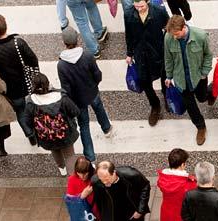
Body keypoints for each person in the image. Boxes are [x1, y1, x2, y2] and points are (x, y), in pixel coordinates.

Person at [58, 27, 114, 163]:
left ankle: (90, 156)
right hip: (92, 91)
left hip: (78, 100)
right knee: (99, 108)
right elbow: (97, 74)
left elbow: (66, 88)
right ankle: (106, 128)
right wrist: (95, 84)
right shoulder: (87, 55)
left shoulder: (61, 65)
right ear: (77, 39)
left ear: (64, 42)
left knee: (84, 125)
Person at [0, 14, 40, 146]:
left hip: (11, 90)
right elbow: (33, 60)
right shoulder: (18, 43)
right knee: (34, 108)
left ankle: (30, 134)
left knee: (20, 112)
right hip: (27, 84)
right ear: (6, 26)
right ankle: (39, 130)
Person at [164, 15, 211, 145]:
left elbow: (208, 55)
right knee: (191, 106)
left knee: (202, 97)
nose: (174, 37)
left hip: (198, 77)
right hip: (181, 79)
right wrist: (169, 76)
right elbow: (168, 58)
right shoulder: (168, 37)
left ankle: (210, 91)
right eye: (172, 34)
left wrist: (204, 73)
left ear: (184, 27)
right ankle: (200, 127)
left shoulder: (200, 36)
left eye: (176, 34)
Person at [23, 73, 80, 176]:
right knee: (70, 155)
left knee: (55, 151)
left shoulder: (31, 102)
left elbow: (27, 121)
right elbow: (75, 111)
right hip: (66, 133)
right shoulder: (61, 97)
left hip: (46, 136)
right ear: (48, 84)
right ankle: (72, 175)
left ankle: (61, 168)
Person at [125, 0, 171, 127]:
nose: (139, 9)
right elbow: (128, 34)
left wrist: (168, 48)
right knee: (144, 82)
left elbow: (168, 28)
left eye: (142, 6)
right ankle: (155, 106)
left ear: (148, 2)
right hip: (141, 53)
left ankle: (167, 96)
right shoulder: (128, 13)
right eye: (136, 6)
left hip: (158, 51)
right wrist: (129, 53)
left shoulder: (159, 12)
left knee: (164, 76)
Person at [157, 148, 197, 221]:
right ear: (182, 164)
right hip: (181, 215)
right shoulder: (189, 183)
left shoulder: (163, 178)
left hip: (166, 212)